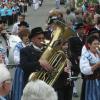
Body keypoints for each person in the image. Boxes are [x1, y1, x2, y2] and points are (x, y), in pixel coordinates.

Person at [11, 28, 30, 100]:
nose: (27, 38)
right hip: (21, 71)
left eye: (28, 36)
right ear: (21, 37)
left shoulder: (31, 45)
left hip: (29, 71)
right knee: (20, 88)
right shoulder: (18, 46)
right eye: (25, 36)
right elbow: (16, 60)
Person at [80, 35, 100, 100]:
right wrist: (97, 65)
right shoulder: (85, 56)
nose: (97, 46)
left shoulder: (98, 53)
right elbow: (84, 70)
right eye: (94, 44)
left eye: (98, 44)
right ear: (89, 45)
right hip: (92, 82)